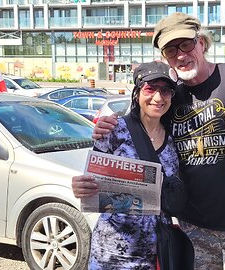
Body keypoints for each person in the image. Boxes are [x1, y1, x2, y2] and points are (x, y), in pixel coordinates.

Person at [92, 12, 225, 270]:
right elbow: (144, 124)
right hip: (193, 230)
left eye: (186, 44)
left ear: (202, 43)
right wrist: (110, 124)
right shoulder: (170, 94)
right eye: (170, 49)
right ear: (165, 57)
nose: (180, 55)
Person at [71, 61, 181, 269]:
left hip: (156, 252)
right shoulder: (114, 130)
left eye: (165, 91)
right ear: (138, 93)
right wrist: (81, 188)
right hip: (111, 253)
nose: (158, 97)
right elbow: (95, 184)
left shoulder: (174, 140)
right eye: (150, 88)